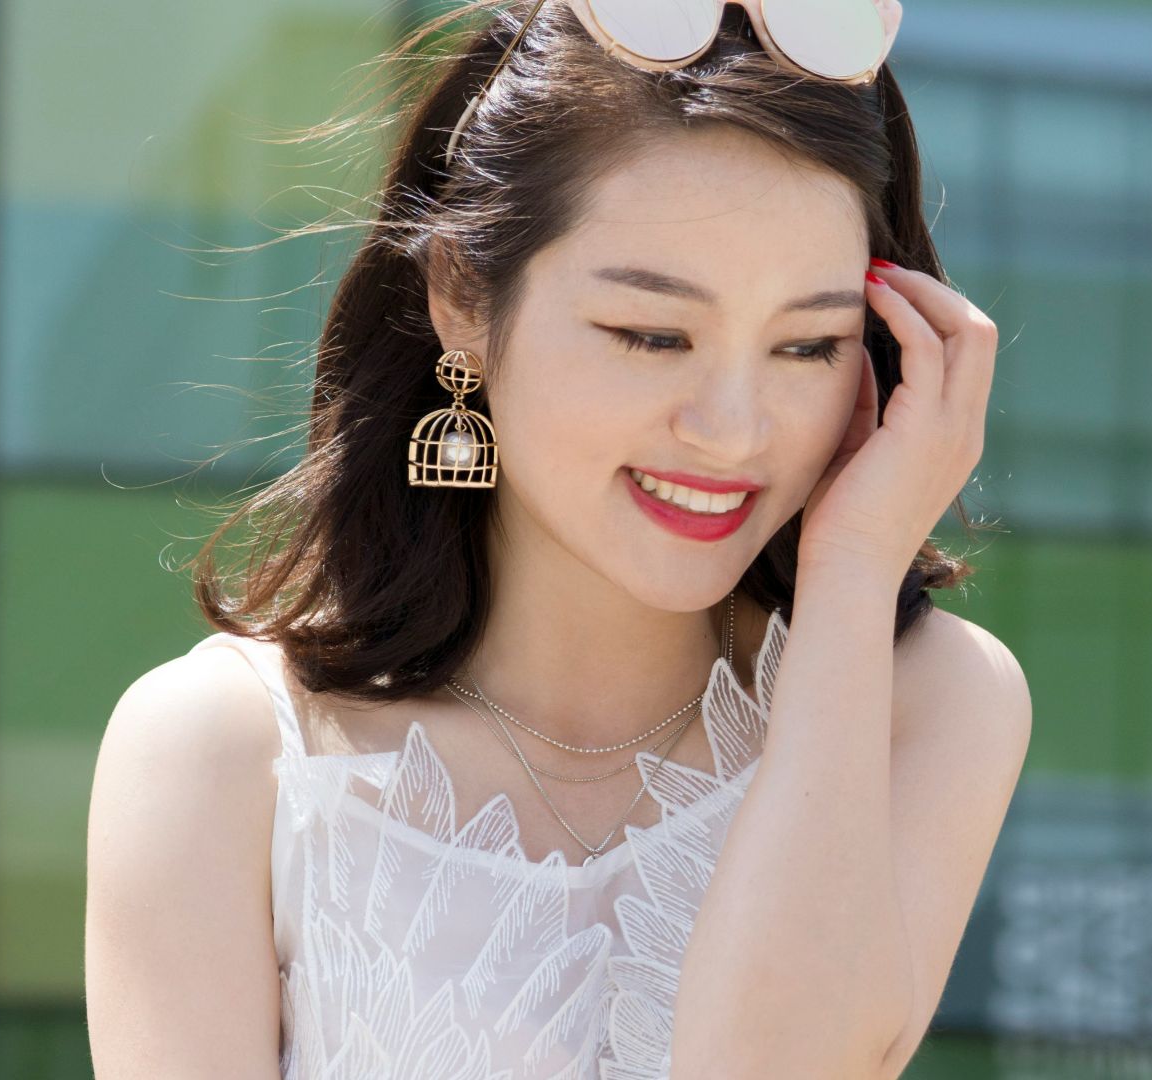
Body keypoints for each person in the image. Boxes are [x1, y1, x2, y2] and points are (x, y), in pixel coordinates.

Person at [84, 1, 1031, 1077]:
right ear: (461, 300)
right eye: (653, 333)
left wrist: (853, 574)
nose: (732, 429)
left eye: (808, 346)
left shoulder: (928, 699)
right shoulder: (221, 753)